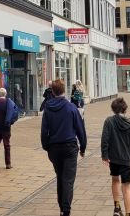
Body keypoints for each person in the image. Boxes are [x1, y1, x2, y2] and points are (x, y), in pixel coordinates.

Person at [41, 79, 87, 216]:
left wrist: (46, 147)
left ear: (53, 92)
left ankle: (62, 207)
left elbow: (44, 131)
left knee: (60, 177)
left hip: (54, 148)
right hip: (69, 148)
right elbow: (80, 129)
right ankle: (65, 210)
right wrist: (83, 147)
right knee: (68, 179)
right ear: (64, 91)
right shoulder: (71, 107)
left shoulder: (48, 108)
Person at [101, 97, 130, 216]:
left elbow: (105, 140)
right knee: (126, 187)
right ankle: (128, 213)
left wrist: (105, 155)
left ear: (113, 109)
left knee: (115, 180)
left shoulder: (109, 121)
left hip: (113, 159)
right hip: (126, 160)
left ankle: (117, 208)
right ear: (125, 109)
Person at [0, 88, 19, 172]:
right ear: (5, 94)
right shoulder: (9, 104)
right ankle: (8, 164)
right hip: (6, 128)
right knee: (7, 145)